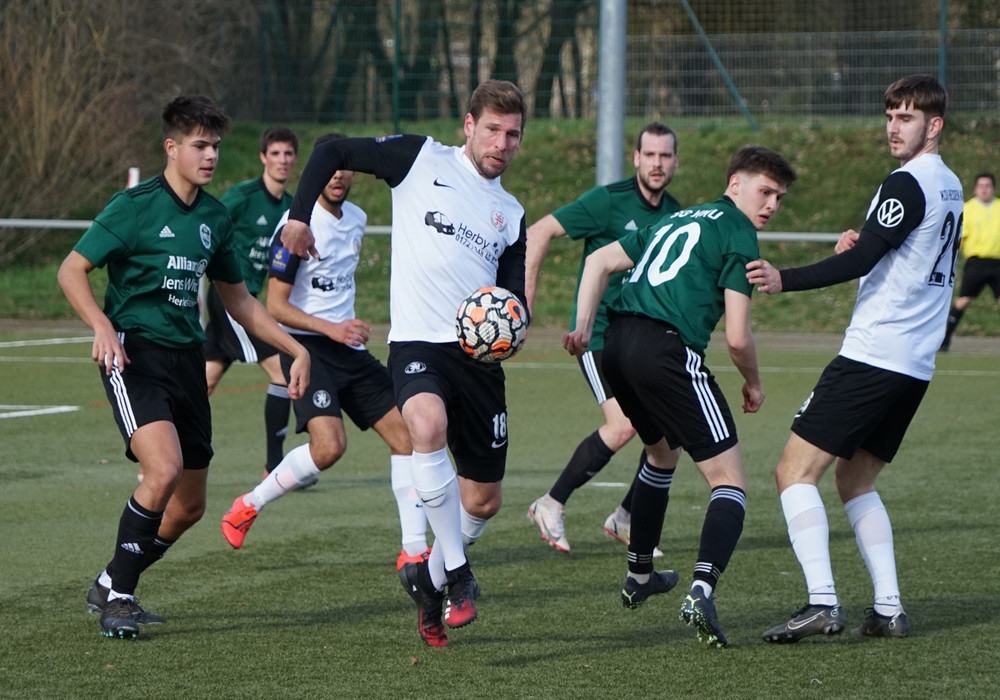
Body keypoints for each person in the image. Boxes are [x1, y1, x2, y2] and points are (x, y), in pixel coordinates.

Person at [279, 80, 529, 648]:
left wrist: (511, 326)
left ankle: (429, 581)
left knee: (484, 500)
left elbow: (514, 301)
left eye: (513, 135)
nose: (502, 143)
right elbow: (332, 150)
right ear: (469, 125)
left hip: (477, 361)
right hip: (419, 344)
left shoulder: (512, 215)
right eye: (493, 129)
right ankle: (458, 574)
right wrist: (298, 216)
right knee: (425, 425)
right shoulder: (419, 158)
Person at [56, 95, 310, 641]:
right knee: (163, 469)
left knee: (190, 506)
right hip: (134, 354)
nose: (211, 155)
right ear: (171, 148)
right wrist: (101, 326)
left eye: (215, 146)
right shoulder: (134, 206)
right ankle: (119, 599)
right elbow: (71, 269)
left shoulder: (215, 217)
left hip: (187, 359)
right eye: (200, 145)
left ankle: (111, 581)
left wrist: (297, 348)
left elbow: (239, 301)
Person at [748, 74, 963, 643]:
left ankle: (822, 601)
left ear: (934, 126)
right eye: (889, 115)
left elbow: (863, 259)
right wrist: (866, 247)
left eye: (906, 117)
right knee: (855, 479)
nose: (893, 127)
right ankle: (889, 609)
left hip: (874, 353)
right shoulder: (950, 185)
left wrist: (784, 278)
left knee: (793, 473)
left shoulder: (906, 182)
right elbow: (899, 254)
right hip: (914, 363)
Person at [564, 146, 797, 648]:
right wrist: (754, 383)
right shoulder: (738, 230)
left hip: (616, 344)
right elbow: (737, 337)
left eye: (779, 197)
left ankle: (640, 574)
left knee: (661, 452)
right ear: (735, 184)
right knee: (729, 481)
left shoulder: (678, 216)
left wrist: (583, 327)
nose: (771, 204)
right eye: (765, 191)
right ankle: (701, 592)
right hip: (665, 352)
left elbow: (600, 260)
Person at [220, 134, 429, 569]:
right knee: (330, 447)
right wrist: (331, 328)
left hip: (347, 348)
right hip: (307, 348)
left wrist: (343, 327)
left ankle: (413, 549)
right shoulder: (295, 227)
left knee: (407, 436)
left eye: (344, 168)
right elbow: (275, 305)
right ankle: (249, 504)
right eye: (330, 168)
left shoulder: (357, 218)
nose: (337, 176)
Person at [525, 122, 681, 554]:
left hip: (642, 341)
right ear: (636, 158)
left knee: (670, 428)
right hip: (596, 335)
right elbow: (539, 231)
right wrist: (525, 300)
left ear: (675, 162)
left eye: (665, 156)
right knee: (624, 425)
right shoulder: (607, 201)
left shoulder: (676, 215)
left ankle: (626, 517)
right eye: (650, 155)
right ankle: (550, 504)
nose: (657, 163)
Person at [203, 126, 299, 474]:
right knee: (282, 373)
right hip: (232, 298)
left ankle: (162, 455)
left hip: (249, 300)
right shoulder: (243, 196)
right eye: (275, 153)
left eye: (288, 154)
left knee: (204, 381)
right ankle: (274, 468)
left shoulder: (292, 207)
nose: (282, 160)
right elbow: (207, 225)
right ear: (263, 157)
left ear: (295, 159)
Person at [940, 172, 999, 351]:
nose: (984, 189)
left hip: (997, 263)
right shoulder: (968, 209)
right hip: (976, 263)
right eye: (981, 186)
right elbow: (960, 238)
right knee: (963, 300)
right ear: (975, 189)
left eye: (988, 186)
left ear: (993, 188)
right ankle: (945, 339)